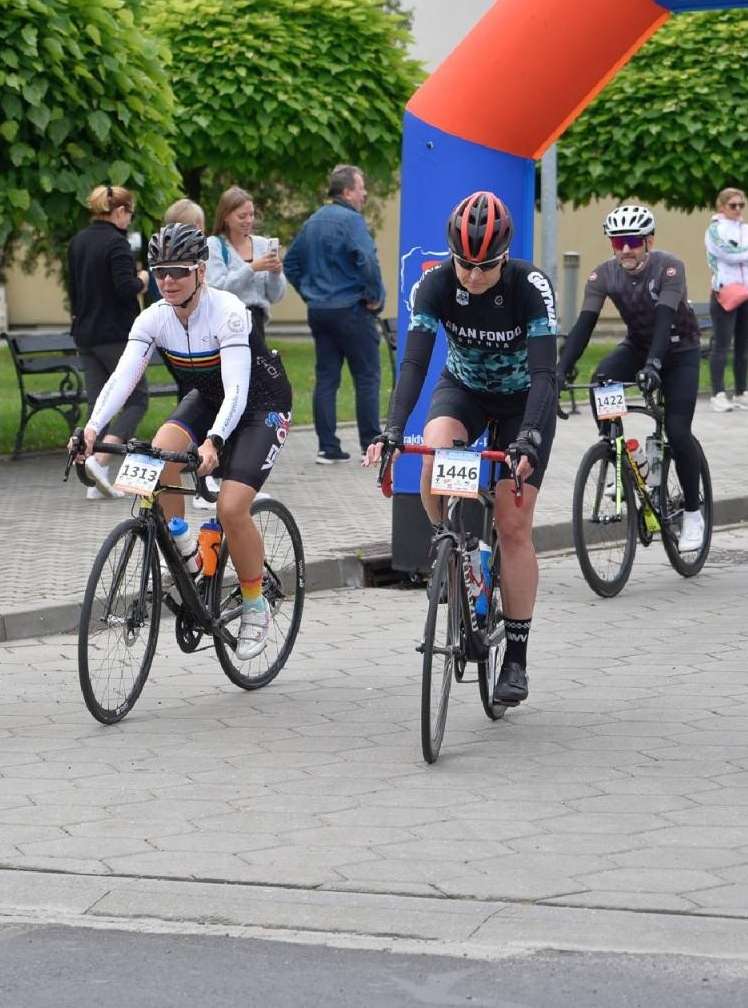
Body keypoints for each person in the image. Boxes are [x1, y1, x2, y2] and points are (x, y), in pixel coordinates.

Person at [364, 191, 558, 706]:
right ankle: (450, 545)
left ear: (505, 256)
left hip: (523, 402)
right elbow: (414, 365)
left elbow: (544, 374)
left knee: (515, 527)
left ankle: (515, 657)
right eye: (464, 263)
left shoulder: (530, 286)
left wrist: (529, 439)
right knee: (433, 456)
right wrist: (390, 429)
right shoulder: (435, 283)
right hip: (465, 390)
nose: (472, 276)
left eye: (485, 266)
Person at [74, 223, 293, 659]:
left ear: (200, 270)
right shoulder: (153, 317)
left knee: (231, 508)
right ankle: (186, 549)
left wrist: (213, 442)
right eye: (159, 273)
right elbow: (123, 376)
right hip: (207, 399)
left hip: (257, 404)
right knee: (159, 454)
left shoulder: (228, 310)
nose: (168, 281)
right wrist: (93, 429)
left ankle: (255, 606)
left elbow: (236, 390)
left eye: (178, 271)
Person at [559, 205, 707, 552]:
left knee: (678, 430)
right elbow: (584, 325)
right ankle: (618, 454)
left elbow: (664, 317)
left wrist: (655, 365)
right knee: (602, 380)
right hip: (638, 347)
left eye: (633, 241)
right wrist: (559, 369)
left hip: (679, 351)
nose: (625, 249)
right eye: (617, 242)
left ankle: (693, 513)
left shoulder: (669, 267)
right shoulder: (603, 276)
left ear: (648, 241)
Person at [284, 164, 385, 464]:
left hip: (320, 313)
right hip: (352, 310)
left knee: (326, 379)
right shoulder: (351, 221)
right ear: (346, 192)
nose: (364, 192)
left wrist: (310, 293)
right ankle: (371, 445)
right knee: (367, 377)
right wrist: (374, 295)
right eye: (360, 187)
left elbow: (291, 263)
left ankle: (327, 447)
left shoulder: (312, 221)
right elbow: (366, 258)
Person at [67, 184, 151, 499]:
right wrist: (143, 278)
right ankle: (100, 462)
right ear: (119, 211)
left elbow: (73, 292)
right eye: (130, 213)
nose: (130, 219)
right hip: (116, 334)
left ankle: (94, 480)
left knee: (98, 404)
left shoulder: (77, 242)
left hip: (85, 334)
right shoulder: (117, 244)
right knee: (137, 399)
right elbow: (124, 289)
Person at [704, 187, 748, 412]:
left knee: (743, 346)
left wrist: (740, 251)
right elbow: (724, 254)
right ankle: (718, 393)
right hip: (725, 290)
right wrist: (745, 253)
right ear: (722, 206)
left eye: (741, 205)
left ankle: (741, 392)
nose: (738, 209)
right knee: (721, 345)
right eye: (733, 205)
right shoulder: (715, 229)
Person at [207, 186, 285, 341]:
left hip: (257, 322)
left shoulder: (262, 244)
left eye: (251, 214)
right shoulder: (214, 245)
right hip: (228, 321)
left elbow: (275, 296)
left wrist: (275, 273)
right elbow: (217, 288)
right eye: (242, 216)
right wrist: (252, 268)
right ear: (225, 217)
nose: (249, 220)